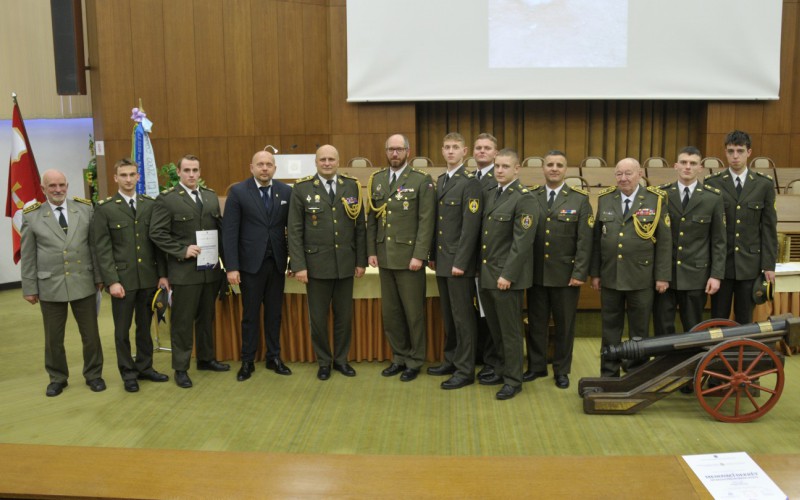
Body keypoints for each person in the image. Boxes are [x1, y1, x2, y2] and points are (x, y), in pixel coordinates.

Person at [20, 169, 105, 397]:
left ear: (67, 185)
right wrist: (29, 288)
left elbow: (94, 247)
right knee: (53, 338)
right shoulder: (32, 215)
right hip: (50, 285)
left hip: (83, 281)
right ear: (43, 189)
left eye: (62, 185)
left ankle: (94, 374)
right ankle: (57, 378)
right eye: (52, 186)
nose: (58, 190)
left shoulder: (85, 209)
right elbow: (28, 255)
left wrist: (99, 277)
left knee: (91, 334)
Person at [150, 154, 229, 388]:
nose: (192, 175)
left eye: (195, 170)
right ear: (178, 172)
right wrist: (181, 250)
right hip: (184, 272)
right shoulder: (167, 200)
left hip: (210, 270)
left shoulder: (210, 196)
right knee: (183, 322)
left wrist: (227, 263)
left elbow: (219, 231)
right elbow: (157, 233)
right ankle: (181, 368)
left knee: (206, 318)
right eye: (187, 170)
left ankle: (206, 359)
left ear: (200, 171)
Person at [288, 145, 366, 380]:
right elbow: (294, 230)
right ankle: (324, 361)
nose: (327, 163)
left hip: (344, 263)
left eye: (332, 159)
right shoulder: (302, 189)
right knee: (318, 319)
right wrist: (298, 265)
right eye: (323, 159)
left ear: (338, 161)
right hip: (316, 265)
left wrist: (361, 260)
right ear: (316, 162)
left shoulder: (350, 185)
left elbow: (359, 226)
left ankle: (341, 360)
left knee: (344, 317)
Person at [93, 158, 170, 392]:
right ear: (115, 178)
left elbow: (157, 242)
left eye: (132, 175)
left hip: (148, 278)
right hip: (122, 282)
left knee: (145, 327)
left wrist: (163, 275)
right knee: (122, 330)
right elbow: (102, 248)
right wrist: (112, 281)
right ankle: (128, 373)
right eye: (123, 175)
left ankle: (145, 367)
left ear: (138, 177)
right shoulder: (105, 208)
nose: (128, 179)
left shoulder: (150, 204)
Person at [590, 158, 672, 377]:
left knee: (639, 331)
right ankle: (608, 373)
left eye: (628, 173)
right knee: (609, 329)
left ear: (640, 175)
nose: (623, 178)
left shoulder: (655, 199)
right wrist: (595, 273)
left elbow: (664, 242)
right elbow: (598, 239)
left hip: (641, 277)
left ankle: (637, 373)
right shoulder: (606, 199)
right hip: (611, 275)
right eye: (619, 174)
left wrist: (662, 276)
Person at [367, 134, 436, 382]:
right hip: (385, 258)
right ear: (386, 151)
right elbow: (373, 218)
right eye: (390, 149)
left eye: (399, 149)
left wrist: (420, 255)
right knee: (392, 313)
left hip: (409, 260)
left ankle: (415, 360)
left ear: (408, 151)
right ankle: (399, 357)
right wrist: (371, 251)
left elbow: (426, 222)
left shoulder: (420, 180)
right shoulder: (378, 179)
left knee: (413, 313)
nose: (394, 154)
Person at [222, 150, 293, 381]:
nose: (265, 168)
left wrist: (294, 260)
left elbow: (294, 229)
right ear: (251, 167)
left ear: (274, 168)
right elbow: (230, 232)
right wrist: (231, 267)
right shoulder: (239, 192)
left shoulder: (286, 192)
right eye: (260, 164)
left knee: (274, 315)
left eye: (269, 164)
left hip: (277, 265)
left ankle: (274, 357)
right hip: (249, 266)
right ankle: (247, 361)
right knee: (250, 316)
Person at [525, 150, 592, 389]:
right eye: (550, 164)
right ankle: (536, 366)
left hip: (566, 276)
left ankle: (562, 370)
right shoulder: (530, 196)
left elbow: (585, 240)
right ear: (543, 168)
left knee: (565, 326)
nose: (554, 168)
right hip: (536, 273)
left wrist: (579, 273)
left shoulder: (579, 199)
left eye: (559, 165)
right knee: (536, 322)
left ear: (566, 170)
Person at [477, 149, 537, 400]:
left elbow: (522, 243)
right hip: (488, 273)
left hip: (505, 278)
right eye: (496, 166)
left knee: (510, 331)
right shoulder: (491, 192)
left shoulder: (524, 198)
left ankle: (514, 379)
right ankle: (501, 369)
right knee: (496, 328)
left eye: (504, 166)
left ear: (516, 169)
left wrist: (508, 275)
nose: (499, 170)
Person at [426, 133, 482, 390]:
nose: (450, 151)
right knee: (449, 317)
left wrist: (461, 261)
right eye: (446, 147)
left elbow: (470, 228)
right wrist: (435, 257)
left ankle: (465, 369)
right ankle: (450, 359)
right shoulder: (442, 180)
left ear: (465, 151)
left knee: (463, 318)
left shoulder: (469, 183)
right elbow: (439, 224)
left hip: (459, 264)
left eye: (455, 148)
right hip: (443, 261)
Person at [704, 130, 777, 324]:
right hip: (722, 265)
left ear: (749, 152)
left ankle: (741, 354)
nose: (735, 156)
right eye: (730, 151)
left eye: (740, 151)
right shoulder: (713, 183)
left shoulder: (764, 184)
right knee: (718, 317)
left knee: (745, 319)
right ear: (725, 153)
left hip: (750, 264)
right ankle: (718, 354)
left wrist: (769, 264)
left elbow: (769, 227)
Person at [653, 147, 726, 336]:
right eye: (684, 162)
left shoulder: (713, 198)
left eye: (693, 163)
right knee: (663, 327)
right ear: (676, 166)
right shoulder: (661, 195)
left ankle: (691, 365)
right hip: (665, 275)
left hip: (696, 276)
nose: (688, 167)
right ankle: (666, 364)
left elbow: (719, 241)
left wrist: (716, 275)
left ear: (700, 168)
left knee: (694, 329)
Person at [471, 132, 502, 382]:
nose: (482, 151)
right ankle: (479, 356)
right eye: (478, 148)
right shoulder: (470, 179)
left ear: (495, 153)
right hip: (470, 258)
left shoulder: (500, 179)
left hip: (490, 259)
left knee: (491, 313)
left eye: (487, 148)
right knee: (476, 312)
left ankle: (493, 361)